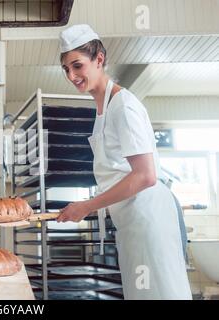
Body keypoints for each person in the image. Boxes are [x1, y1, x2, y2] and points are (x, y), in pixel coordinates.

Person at [56, 24, 192, 300]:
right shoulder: (103, 109)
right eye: (66, 69)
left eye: (77, 65)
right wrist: (90, 206)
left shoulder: (123, 106)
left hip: (148, 216)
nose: (71, 76)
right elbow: (120, 172)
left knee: (160, 294)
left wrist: (87, 205)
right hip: (132, 218)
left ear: (99, 59)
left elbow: (145, 176)